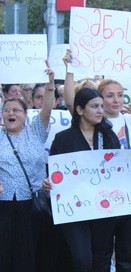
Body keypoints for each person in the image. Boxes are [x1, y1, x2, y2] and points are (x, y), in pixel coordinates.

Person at [63, 48, 131, 272]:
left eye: (120, 95)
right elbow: (72, 101)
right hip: (100, 194)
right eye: (110, 96)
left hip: (130, 194)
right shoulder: (93, 122)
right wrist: (69, 69)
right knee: (101, 253)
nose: (116, 100)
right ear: (99, 99)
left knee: (127, 253)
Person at [47, 88, 121, 271]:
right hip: (74, 210)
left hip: (103, 208)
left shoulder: (109, 137)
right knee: (82, 260)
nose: (100, 111)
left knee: (101, 259)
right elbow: (53, 173)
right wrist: (48, 183)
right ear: (79, 110)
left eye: (101, 107)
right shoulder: (63, 139)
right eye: (94, 106)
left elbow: (121, 170)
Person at [0, 64, 55, 272]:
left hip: (32, 204)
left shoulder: (36, 132)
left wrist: (50, 83)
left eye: (16, 110)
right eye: (6, 110)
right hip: (3, 205)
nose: (10, 113)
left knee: (28, 255)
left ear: (25, 114)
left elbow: (47, 109)